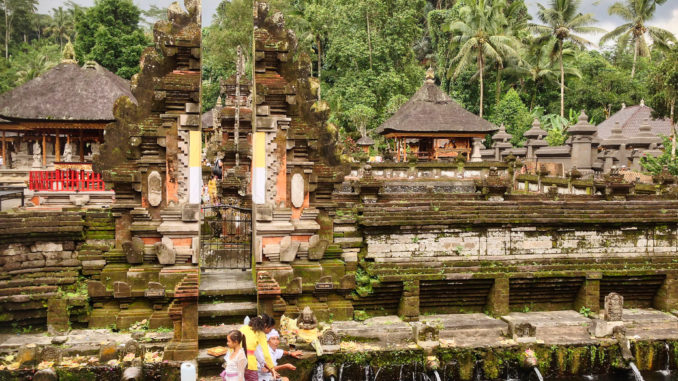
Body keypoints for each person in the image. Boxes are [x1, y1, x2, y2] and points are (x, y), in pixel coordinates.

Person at [240, 315, 279, 381]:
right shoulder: (261, 334)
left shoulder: (243, 328)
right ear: (265, 325)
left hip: (238, 362)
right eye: (270, 329)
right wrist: (272, 368)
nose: (270, 332)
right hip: (250, 365)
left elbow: (255, 352)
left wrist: (263, 364)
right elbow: (266, 355)